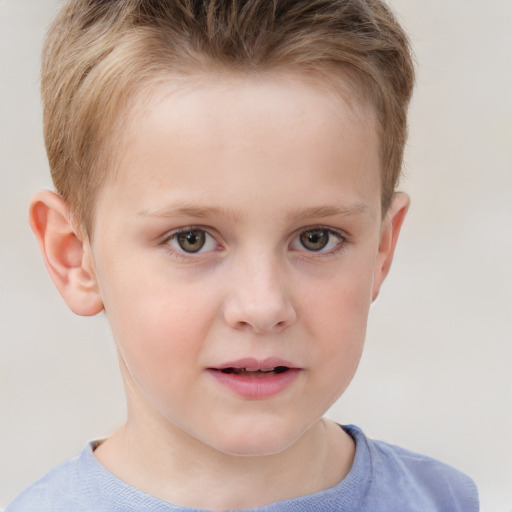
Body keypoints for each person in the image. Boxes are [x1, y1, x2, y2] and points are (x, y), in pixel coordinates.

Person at [5, 0, 479, 510]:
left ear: (382, 249)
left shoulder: (446, 501)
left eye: (316, 237)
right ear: (75, 255)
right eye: (191, 239)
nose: (262, 306)